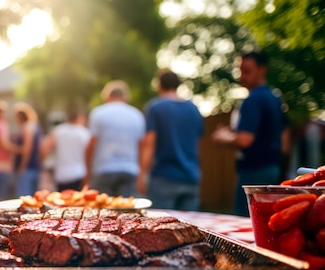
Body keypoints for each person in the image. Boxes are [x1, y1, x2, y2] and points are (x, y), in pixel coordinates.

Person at [212, 51, 289, 216]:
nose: (241, 76)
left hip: (253, 172)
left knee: (245, 223)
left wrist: (222, 137)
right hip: (273, 169)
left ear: (262, 70)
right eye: (240, 70)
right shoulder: (276, 99)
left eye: (247, 71)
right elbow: (285, 140)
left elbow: (245, 140)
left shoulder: (252, 100)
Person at [137, 69, 204, 211]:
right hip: (191, 177)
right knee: (190, 229)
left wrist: (142, 174)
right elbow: (197, 145)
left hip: (164, 178)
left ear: (159, 85)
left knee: (162, 228)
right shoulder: (194, 109)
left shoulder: (155, 108)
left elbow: (149, 144)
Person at [85, 80, 145, 197]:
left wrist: (87, 171)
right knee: (128, 212)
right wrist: (141, 175)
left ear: (107, 96)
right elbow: (142, 146)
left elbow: (92, 145)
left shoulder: (98, 113)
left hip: (103, 170)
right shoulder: (137, 115)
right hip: (130, 170)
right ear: (126, 97)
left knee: (102, 212)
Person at [40, 109, 91, 191]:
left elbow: (44, 148)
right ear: (80, 118)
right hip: (79, 174)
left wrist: (43, 165)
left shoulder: (58, 130)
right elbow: (90, 153)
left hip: (61, 175)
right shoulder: (84, 132)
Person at [12, 102, 42, 197]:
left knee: (24, 198)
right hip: (35, 166)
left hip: (26, 168)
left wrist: (22, 166)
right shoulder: (35, 126)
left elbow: (27, 148)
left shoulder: (27, 127)